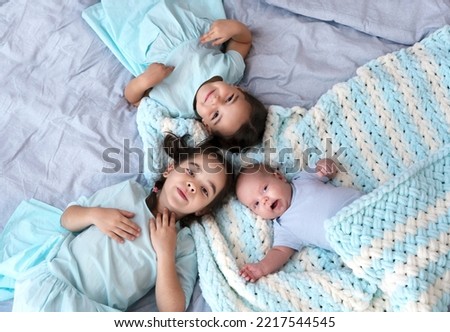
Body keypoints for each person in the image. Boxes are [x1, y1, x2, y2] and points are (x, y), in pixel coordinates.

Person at [0, 134, 234, 311]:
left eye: (204, 189)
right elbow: (67, 218)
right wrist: (94, 215)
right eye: (191, 172)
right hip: (54, 281)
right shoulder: (129, 192)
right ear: (170, 169)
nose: (192, 185)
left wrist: (165, 253)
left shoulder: (183, 244)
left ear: (203, 209)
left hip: (91, 309)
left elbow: (172, 310)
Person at [118, 1, 268, 150]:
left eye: (215, 115)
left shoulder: (176, 108)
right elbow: (243, 41)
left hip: (146, 33)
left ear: (206, 126)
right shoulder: (230, 71)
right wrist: (234, 28)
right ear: (239, 89)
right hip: (185, 15)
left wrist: (143, 81)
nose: (216, 100)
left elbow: (135, 100)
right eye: (229, 98)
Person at [235, 158, 364, 282]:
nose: (264, 200)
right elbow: (279, 252)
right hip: (354, 242)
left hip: (362, 207)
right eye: (256, 204)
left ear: (279, 177)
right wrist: (261, 268)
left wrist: (325, 166)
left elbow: (328, 170)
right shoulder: (284, 228)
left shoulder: (303, 179)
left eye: (264, 189)